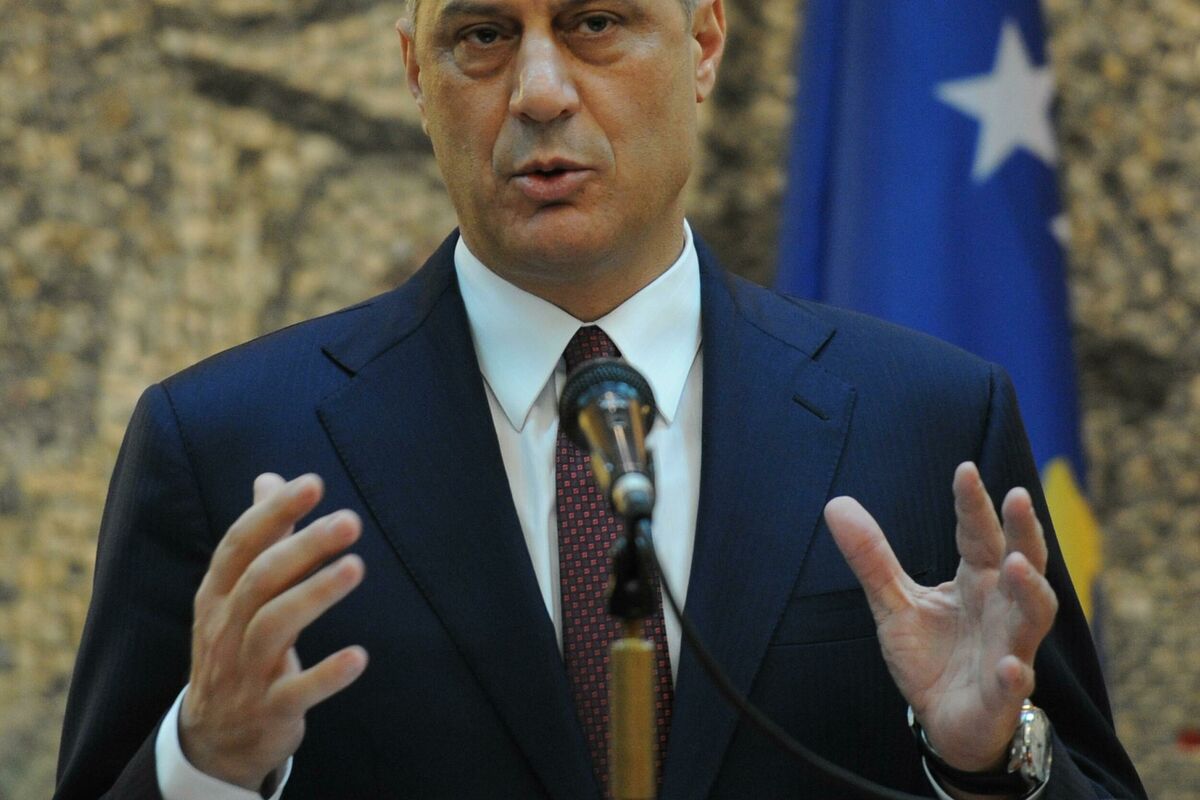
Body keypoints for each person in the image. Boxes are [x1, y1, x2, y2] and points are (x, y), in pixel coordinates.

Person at [56, 0, 1145, 798]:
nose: (539, 91)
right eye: (483, 35)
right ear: (415, 73)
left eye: (594, 24)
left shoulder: (926, 420)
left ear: (704, 44)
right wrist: (205, 765)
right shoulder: (227, 446)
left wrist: (989, 760)